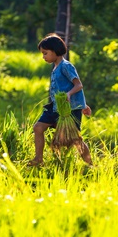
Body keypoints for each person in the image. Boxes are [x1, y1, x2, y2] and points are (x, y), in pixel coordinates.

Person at [28, 33, 93, 166]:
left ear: (55, 51)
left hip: (68, 110)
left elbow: (78, 85)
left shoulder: (66, 66)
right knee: (38, 128)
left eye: (45, 53)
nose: (43, 57)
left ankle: (90, 165)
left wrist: (78, 102)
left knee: (75, 139)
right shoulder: (56, 67)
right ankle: (38, 159)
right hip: (55, 107)